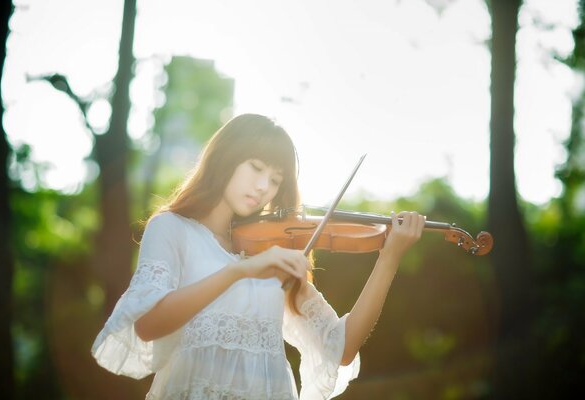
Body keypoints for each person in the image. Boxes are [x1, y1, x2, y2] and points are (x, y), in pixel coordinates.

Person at [91, 113, 425, 399]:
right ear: (225, 157)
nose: (264, 186)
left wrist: (389, 258)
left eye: (276, 179)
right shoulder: (171, 228)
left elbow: (342, 347)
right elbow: (148, 325)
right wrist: (240, 271)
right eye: (256, 168)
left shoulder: (270, 251)